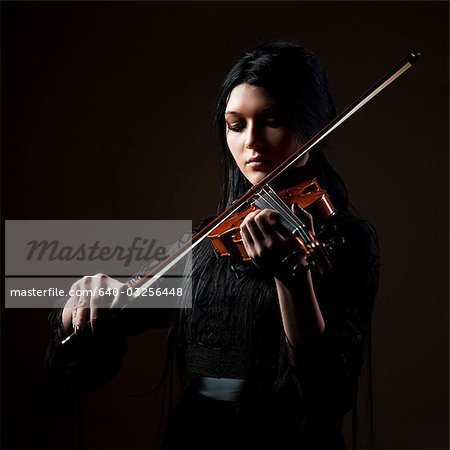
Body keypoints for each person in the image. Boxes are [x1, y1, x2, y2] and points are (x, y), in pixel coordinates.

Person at [45, 41, 380, 449]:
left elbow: (326, 393)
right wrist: (85, 303)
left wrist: (292, 278)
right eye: (235, 125)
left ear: (310, 127)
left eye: (273, 121)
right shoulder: (214, 238)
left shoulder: (344, 240)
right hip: (196, 435)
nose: (251, 142)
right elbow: (121, 315)